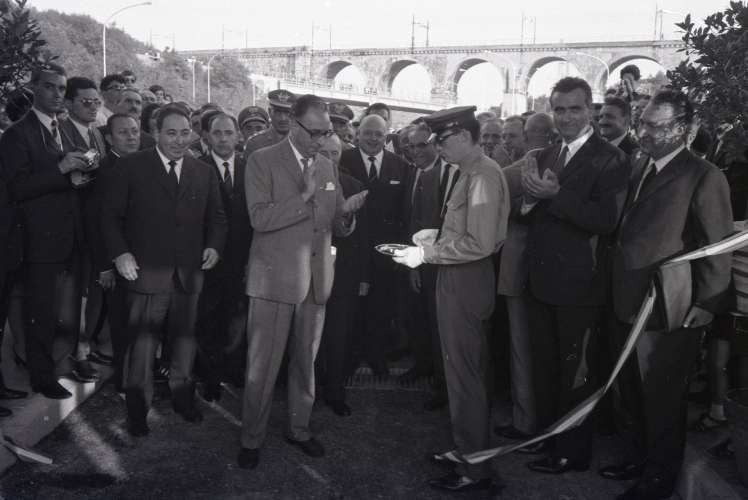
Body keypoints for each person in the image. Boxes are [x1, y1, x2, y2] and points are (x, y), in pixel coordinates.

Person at [600, 89, 733, 500]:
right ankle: (636, 459)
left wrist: (707, 304)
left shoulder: (704, 175)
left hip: (668, 309)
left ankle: (657, 482)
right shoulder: (641, 164)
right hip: (626, 299)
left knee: (661, 398)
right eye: (642, 123)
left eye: (655, 126)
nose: (644, 133)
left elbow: (717, 246)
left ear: (683, 128)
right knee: (631, 391)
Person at [237, 95, 367, 470]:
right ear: (294, 125)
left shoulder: (326, 165)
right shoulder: (261, 160)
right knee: (262, 366)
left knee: (305, 362)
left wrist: (347, 216)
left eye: (327, 133)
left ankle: (299, 428)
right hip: (274, 282)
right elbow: (259, 219)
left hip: (315, 280)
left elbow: (333, 223)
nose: (322, 140)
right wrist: (304, 196)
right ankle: (251, 437)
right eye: (315, 133)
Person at [393, 105, 509, 492]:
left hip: (466, 280)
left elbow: (480, 243)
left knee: (465, 376)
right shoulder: (470, 171)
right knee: (461, 373)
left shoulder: (482, 175)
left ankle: (475, 470)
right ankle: (467, 450)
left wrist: (426, 253)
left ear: (461, 137)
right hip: (458, 276)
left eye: (441, 140)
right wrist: (437, 238)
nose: (437, 148)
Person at [520, 77, 629, 474]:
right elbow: (530, 213)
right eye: (559, 109)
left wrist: (554, 196)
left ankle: (572, 451)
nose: (566, 117)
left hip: (580, 286)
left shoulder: (611, 159)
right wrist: (528, 201)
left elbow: (606, 220)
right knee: (546, 367)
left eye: (574, 109)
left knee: (576, 372)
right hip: (541, 280)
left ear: (590, 111)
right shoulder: (547, 154)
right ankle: (549, 439)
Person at [100, 105, 227, 437]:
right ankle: (137, 412)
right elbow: (109, 217)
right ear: (155, 133)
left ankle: (183, 399)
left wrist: (214, 246)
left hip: (188, 274)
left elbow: (217, 217)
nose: (179, 140)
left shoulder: (203, 171)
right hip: (145, 273)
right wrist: (121, 253)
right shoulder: (131, 167)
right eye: (171, 133)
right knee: (142, 347)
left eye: (185, 133)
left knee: (185, 342)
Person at [0, 64, 97, 399]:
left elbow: (65, 177)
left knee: (60, 311)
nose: (57, 94)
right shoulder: (17, 134)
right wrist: (62, 169)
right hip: (36, 238)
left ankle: (54, 367)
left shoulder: (62, 129)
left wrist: (81, 174)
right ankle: (41, 377)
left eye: (61, 88)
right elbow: (16, 188)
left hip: (67, 234)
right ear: (33, 89)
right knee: (40, 311)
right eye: (49, 87)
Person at [494, 112, 556, 440]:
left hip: (519, 269)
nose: (506, 142)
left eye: (513, 136)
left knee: (522, 349)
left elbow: (500, 187)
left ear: (531, 135)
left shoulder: (521, 167)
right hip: (547, 272)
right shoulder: (561, 162)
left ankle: (525, 420)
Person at [339, 114, 408, 376]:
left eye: (379, 134)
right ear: (358, 134)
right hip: (350, 247)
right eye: (367, 132)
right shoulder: (343, 160)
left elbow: (404, 211)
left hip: (384, 251)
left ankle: (376, 356)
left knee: (381, 306)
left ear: (386, 136)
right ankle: (348, 357)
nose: (372, 138)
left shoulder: (400, 166)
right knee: (349, 307)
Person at [194, 113, 252, 401]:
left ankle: (233, 369)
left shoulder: (250, 168)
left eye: (229, 133)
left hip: (242, 258)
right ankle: (211, 377)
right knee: (209, 319)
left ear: (238, 135)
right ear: (207, 136)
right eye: (217, 133)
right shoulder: (197, 168)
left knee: (238, 317)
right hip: (209, 258)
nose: (223, 139)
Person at [59, 76, 111, 383]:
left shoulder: (96, 133)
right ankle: (75, 353)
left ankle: (84, 347)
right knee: (73, 293)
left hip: (94, 222)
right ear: (68, 104)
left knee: (91, 290)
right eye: (86, 102)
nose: (93, 108)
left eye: (96, 102)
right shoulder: (60, 133)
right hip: (70, 223)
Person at [399, 123, 453, 410]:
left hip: (440, 262)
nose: (416, 151)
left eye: (423, 145)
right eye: (411, 146)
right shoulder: (413, 172)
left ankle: (443, 385)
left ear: (435, 145)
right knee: (419, 318)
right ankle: (423, 366)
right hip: (416, 259)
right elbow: (413, 220)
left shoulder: (449, 174)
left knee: (440, 325)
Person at [315, 133, 369, 416]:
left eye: (333, 153)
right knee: (310, 336)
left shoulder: (354, 186)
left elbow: (363, 239)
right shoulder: (303, 182)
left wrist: (363, 278)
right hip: (310, 271)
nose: (328, 159)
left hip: (344, 275)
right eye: (322, 153)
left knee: (338, 335)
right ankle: (309, 391)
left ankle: (335, 392)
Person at [243, 89, 296, 156]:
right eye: (277, 112)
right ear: (270, 112)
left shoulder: (301, 141)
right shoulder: (255, 143)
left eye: (287, 113)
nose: (283, 118)